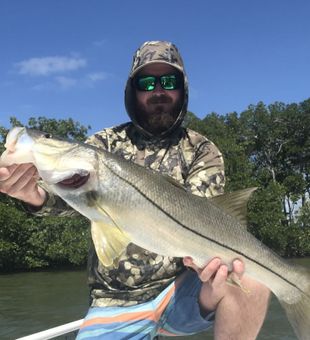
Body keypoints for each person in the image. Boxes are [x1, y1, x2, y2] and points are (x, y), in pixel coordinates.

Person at [0, 41, 270, 339]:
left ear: (182, 89)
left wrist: (210, 266)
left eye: (169, 81)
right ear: (133, 90)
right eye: (146, 82)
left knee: (254, 283)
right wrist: (32, 194)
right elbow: (68, 198)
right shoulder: (103, 144)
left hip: (184, 291)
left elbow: (206, 218)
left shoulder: (202, 150)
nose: (158, 91)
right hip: (114, 301)